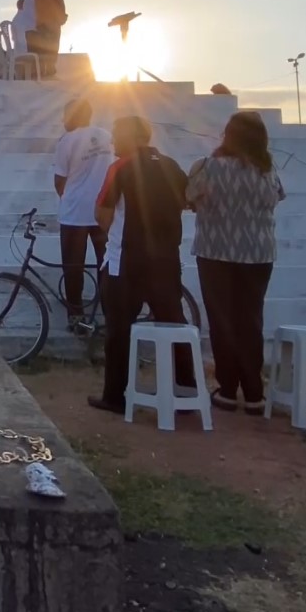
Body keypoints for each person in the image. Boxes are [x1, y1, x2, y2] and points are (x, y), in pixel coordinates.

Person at [90, 116, 194, 413]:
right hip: (166, 259)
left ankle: (115, 396)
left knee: (119, 330)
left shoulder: (120, 167)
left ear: (132, 136)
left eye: (116, 134)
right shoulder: (171, 165)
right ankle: (186, 393)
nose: (112, 141)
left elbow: (103, 213)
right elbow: (187, 202)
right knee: (174, 325)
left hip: (126, 261)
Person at [188, 111, 286, 412]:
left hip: (216, 251)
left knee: (222, 320)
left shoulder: (206, 167)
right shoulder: (268, 171)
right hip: (258, 253)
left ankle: (228, 388)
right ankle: (254, 391)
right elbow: (278, 198)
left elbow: (188, 199)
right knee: (251, 319)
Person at [53, 99, 112, 326]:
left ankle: (76, 317)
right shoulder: (107, 136)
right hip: (103, 213)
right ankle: (110, 315)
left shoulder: (66, 141)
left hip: (74, 214)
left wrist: (71, 197)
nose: (62, 120)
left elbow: (59, 181)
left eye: (65, 115)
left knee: (73, 267)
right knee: (106, 265)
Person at [30, 0, 67, 79]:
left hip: (40, 22)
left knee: (44, 46)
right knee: (53, 45)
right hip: (52, 20)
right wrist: (63, 16)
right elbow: (59, 0)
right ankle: (50, 68)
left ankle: (44, 69)